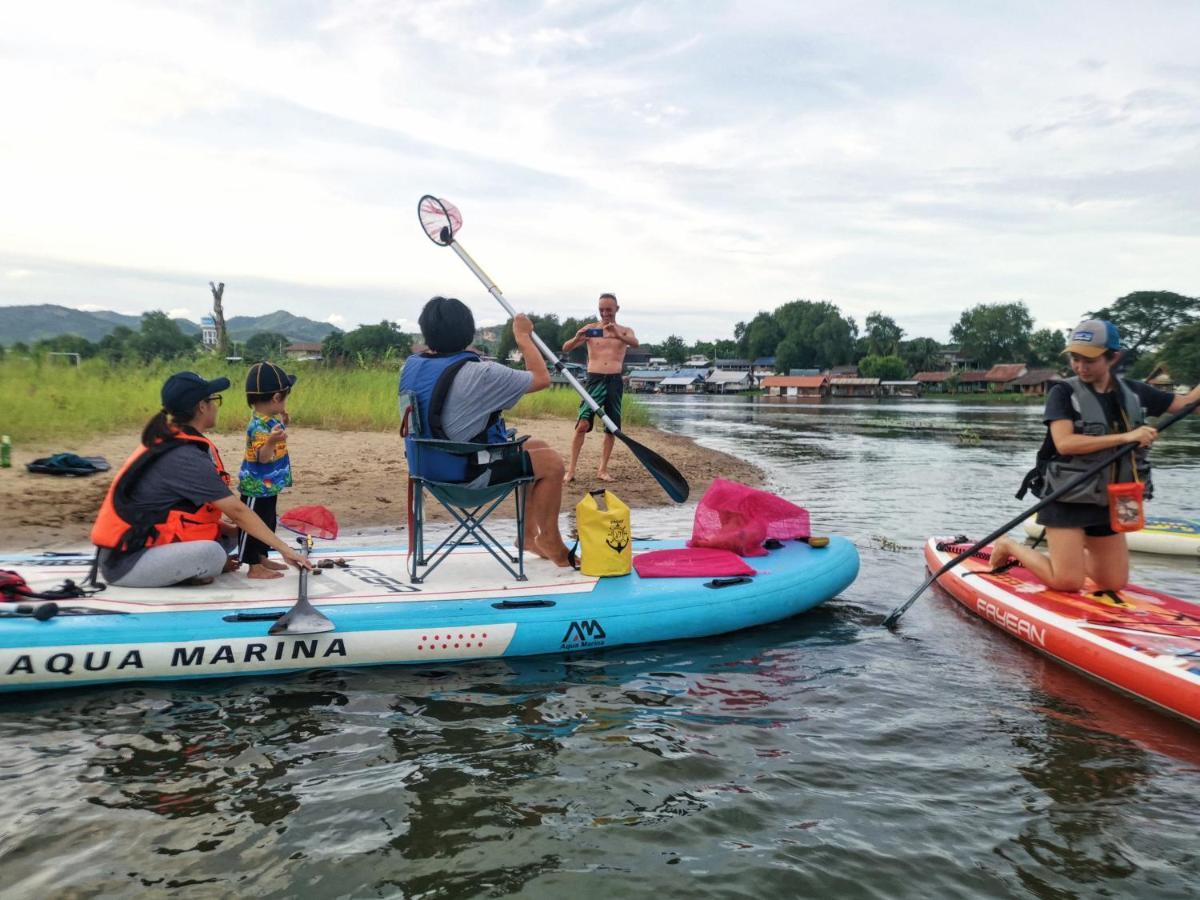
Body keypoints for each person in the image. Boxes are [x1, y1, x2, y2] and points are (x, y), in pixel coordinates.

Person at [992, 319, 1200, 591]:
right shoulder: (1063, 392)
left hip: (1109, 500)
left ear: (1113, 357)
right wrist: (1127, 436)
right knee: (1067, 582)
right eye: (1075, 359)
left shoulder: (1135, 392)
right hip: (1067, 496)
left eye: (1089, 359)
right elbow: (1065, 443)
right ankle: (1009, 545)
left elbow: (1188, 405)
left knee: (1113, 582)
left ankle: (1069, 559)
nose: (1080, 366)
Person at [91, 371, 311, 588]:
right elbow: (237, 511)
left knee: (238, 535)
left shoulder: (174, 439)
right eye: (214, 400)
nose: (216, 406)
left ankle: (193, 568)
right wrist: (286, 551)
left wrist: (240, 532)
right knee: (212, 553)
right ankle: (193, 571)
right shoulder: (183, 454)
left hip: (151, 543)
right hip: (128, 562)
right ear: (202, 407)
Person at [399, 296, 571, 566]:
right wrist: (523, 336)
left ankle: (526, 536)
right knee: (551, 463)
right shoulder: (482, 373)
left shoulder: (410, 366)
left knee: (537, 446)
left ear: (426, 332)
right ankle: (550, 540)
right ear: (468, 332)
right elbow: (541, 378)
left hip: (425, 471)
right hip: (466, 478)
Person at [560, 292, 638, 482]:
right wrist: (578, 337)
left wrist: (617, 334)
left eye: (608, 310)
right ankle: (571, 470)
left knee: (610, 428)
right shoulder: (590, 329)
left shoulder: (625, 331)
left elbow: (635, 344)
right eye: (601, 310)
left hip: (614, 381)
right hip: (594, 380)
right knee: (582, 425)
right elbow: (566, 348)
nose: (605, 313)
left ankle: (602, 470)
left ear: (616, 309)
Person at [237, 361, 298, 580]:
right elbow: (263, 457)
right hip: (256, 486)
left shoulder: (269, 421)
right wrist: (272, 440)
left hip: (269, 485)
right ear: (276, 398)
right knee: (252, 524)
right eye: (285, 397)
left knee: (267, 521)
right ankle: (253, 565)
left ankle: (261, 556)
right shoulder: (257, 426)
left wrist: (283, 426)